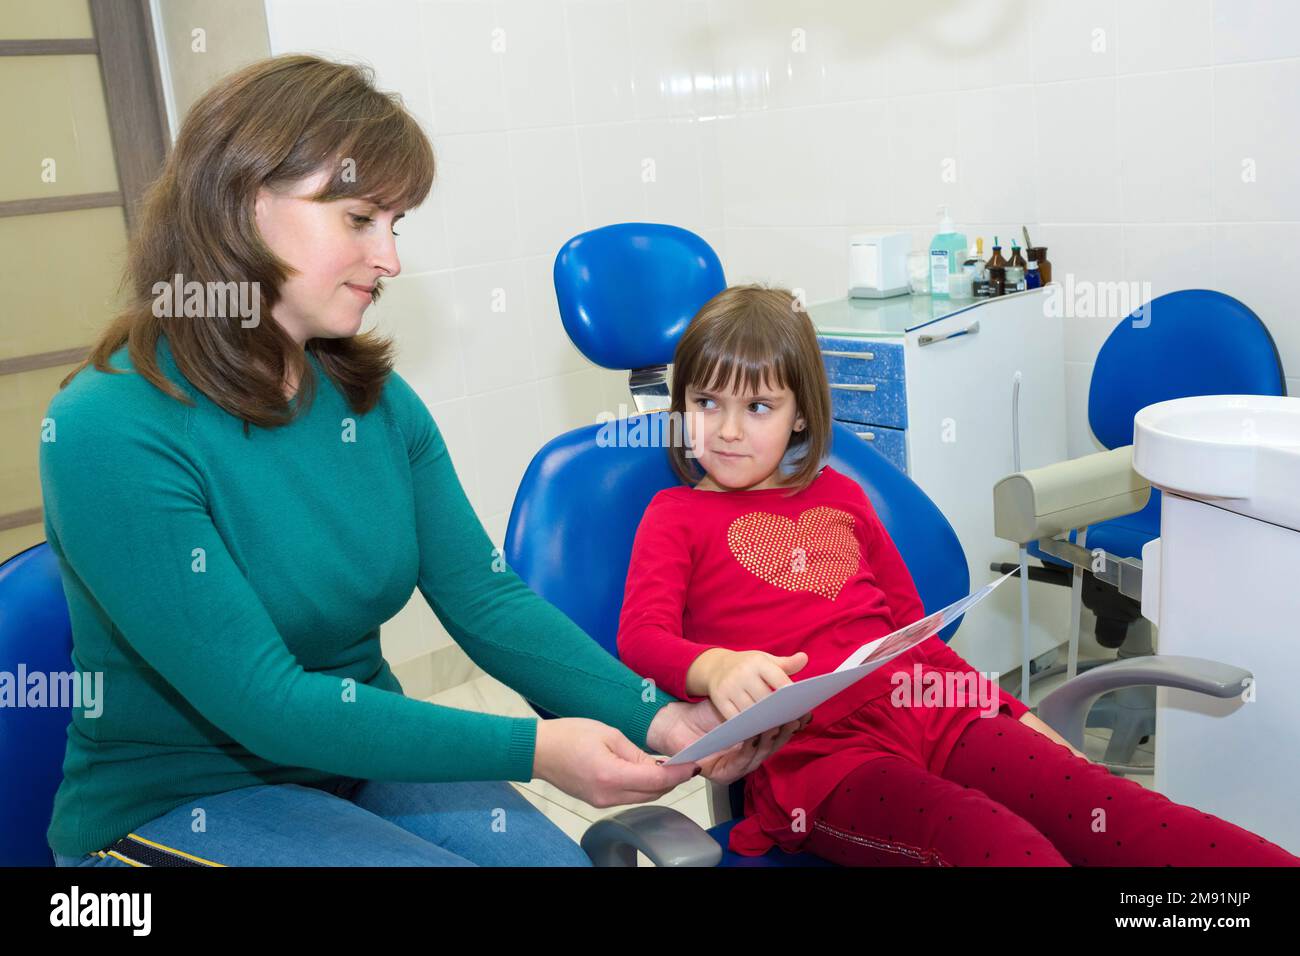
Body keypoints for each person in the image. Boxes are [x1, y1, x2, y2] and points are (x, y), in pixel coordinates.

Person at [39, 55, 805, 868]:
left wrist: (658, 717)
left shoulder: (369, 397)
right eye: (361, 219)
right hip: (177, 802)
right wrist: (533, 748)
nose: (391, 260)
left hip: (358, 760)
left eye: (394, 226)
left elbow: (483, 596)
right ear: (242, 201)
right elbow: (264, 703)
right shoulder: (110, 427)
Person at [616, 283, 1300, 866]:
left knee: (1116, 812)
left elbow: (914, 637)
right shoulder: (673, 515)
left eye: (758, 407)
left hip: (932, 707)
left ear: (800, 416)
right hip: (824, 758)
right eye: (707, 403)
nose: (729, 429)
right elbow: (641, 639)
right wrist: (714, 669)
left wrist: (1010, 712)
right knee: (1005, 847)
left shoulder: (843, 497)